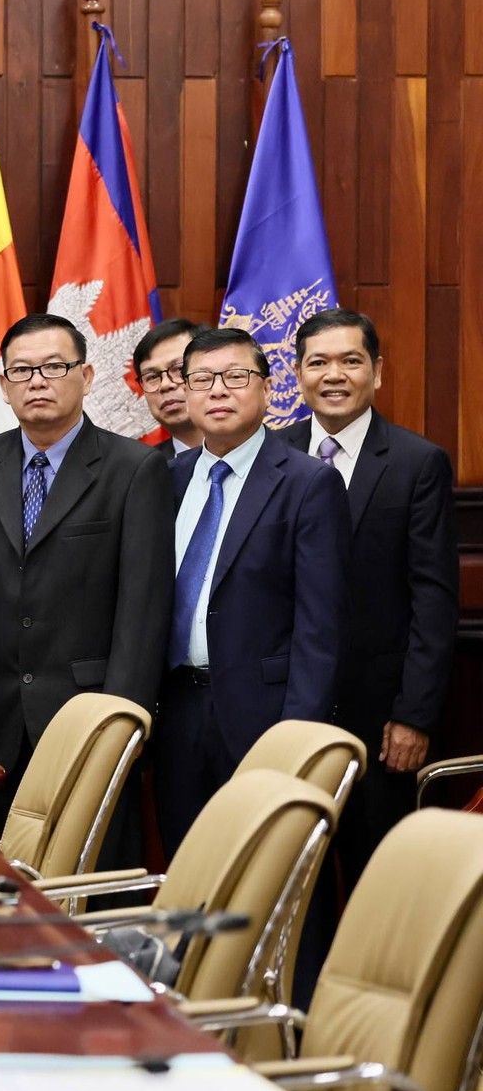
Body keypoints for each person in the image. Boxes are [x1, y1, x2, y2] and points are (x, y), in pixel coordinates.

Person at [0, 313, 173, 832]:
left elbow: (142, 611)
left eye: (54, 367)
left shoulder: (133, 469)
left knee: (87, 868)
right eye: (21, 371)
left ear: (86, 377)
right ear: (3, 387)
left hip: (90, 717)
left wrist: (121, 722)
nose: (37, 381)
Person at [155, 326, 349, 853]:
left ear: (267, 389)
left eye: (235, 376)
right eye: (201, 379)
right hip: (177, 711)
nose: (218, 390)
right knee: (188, 866)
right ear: (186, 392)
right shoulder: (165, 478)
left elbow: (321, 628)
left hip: (264, 715)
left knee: (269, 868)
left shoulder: (308, 482)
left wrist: (296, 738)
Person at [280, 309, 456, 879]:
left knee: (374, 875)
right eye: (318, 362)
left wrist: (413, 714)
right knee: (285, 875)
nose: (334, 375)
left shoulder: (417, 463)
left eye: (350, 361)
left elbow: (433, 600)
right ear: (297, 374)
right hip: (282, 709)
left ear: (376, 372)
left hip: (378, 719)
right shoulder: (270, 456)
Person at [134, 317, 207, 457]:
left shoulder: (252, 450)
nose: (165, 385)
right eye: (152, 377)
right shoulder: (145, 467)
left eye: (179, 369)